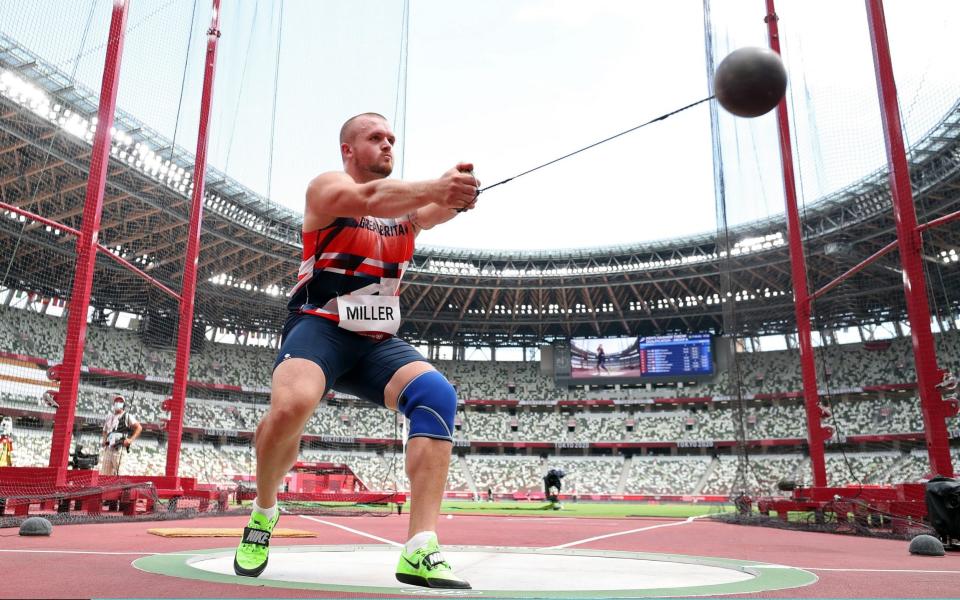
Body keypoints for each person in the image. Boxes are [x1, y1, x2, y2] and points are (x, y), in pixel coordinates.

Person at [233, 112, 479, 589]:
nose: (387, 145)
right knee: (291, 405)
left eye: (391, 139)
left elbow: (432, 210)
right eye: (375, 138)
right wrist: (437, 187)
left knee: (437, 396)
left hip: (376, 342)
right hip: (318, 327)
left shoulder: (405, 214)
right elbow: (370, 198)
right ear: (348, 149)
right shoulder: (327, 189)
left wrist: (463, 192)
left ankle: (420, 547)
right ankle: (263, 513)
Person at [100, 395, 142, 476]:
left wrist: (130, 440)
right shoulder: (109, 416)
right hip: (108, 449)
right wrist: (104, 439)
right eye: (116, 401)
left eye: (120, 402)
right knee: (104, 474)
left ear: (123, 404)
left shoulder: (127, 416)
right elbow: (105, 430)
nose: (118, 403)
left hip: (119, 449)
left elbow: (139, 427)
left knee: (120, 474)